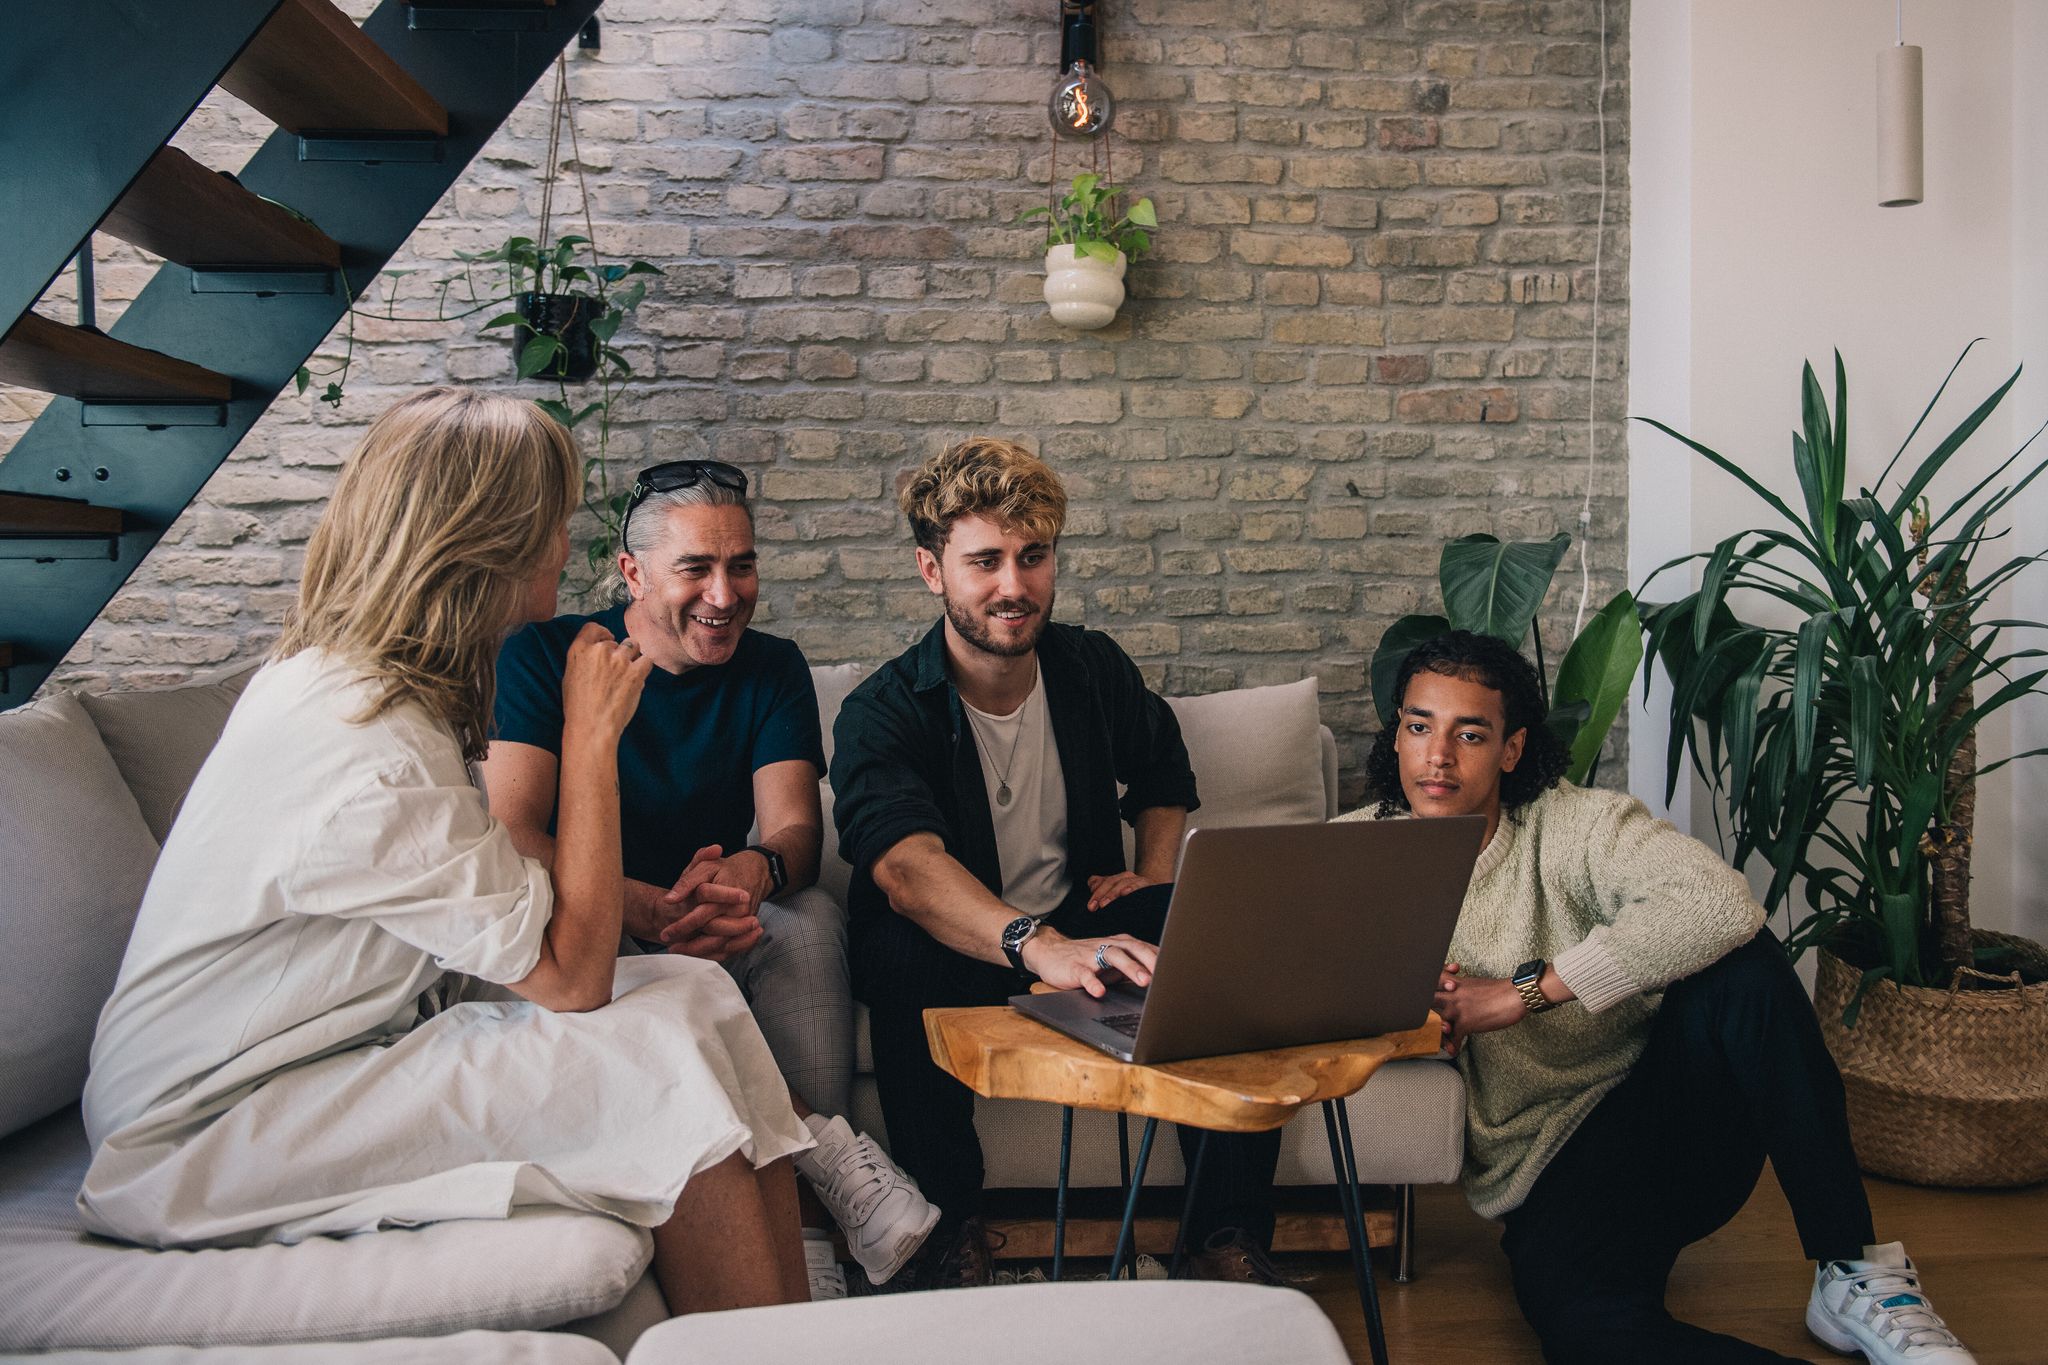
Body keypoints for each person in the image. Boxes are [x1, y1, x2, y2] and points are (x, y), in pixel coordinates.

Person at [79, 389, 811, 1316]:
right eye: (552, 534)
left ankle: (792, 1327)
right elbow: (573, 978)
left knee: (693, 991)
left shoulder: (370, 687)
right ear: (488, 550)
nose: (561, 564)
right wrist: (591, 736)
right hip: (211, 1125)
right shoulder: (369, 752)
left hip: (318, 1057)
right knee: (651, 1068)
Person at [1335, 629, 1975, 1365]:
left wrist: (1523, 992)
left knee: (1743, 968)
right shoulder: (1351, 856)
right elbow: (1285, 972)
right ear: (1397, 735)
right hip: (1547, 1172)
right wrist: (1411, 1012)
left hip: (1672, 1112)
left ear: (1511, 749)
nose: (1438, 756)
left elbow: (1717, 901)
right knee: (1585, 1332)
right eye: (1419, 727)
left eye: (1469, 734)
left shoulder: (1576, 825)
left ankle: (1852, 1267)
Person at [830, 436, 1286, 1289]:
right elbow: (905, 870)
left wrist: (1153, 876)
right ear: (932, 570)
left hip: (1082, 921)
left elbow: (1163, 772)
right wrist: (1038, 946)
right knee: (899, 952)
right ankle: (949, 1238)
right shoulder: (883, 710)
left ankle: (1223, 1236)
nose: (1015, 584)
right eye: (985, 561)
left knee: (1211, 932)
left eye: (1033, 556)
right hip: (956, 942)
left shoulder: (1089, 668)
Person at [482, 458, 935, 1296]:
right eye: (696, 568)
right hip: (593, 922)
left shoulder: (771, 666)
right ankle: (830, 1157)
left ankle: (811, 1233)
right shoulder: (548, 656)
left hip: (718, 917)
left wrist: (748, 874)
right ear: (633, 573)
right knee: (614, 954)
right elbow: (514, 831)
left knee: (811, 920)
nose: (724, 594)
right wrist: (641, 906)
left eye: (742, 565)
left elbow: (796, 833)